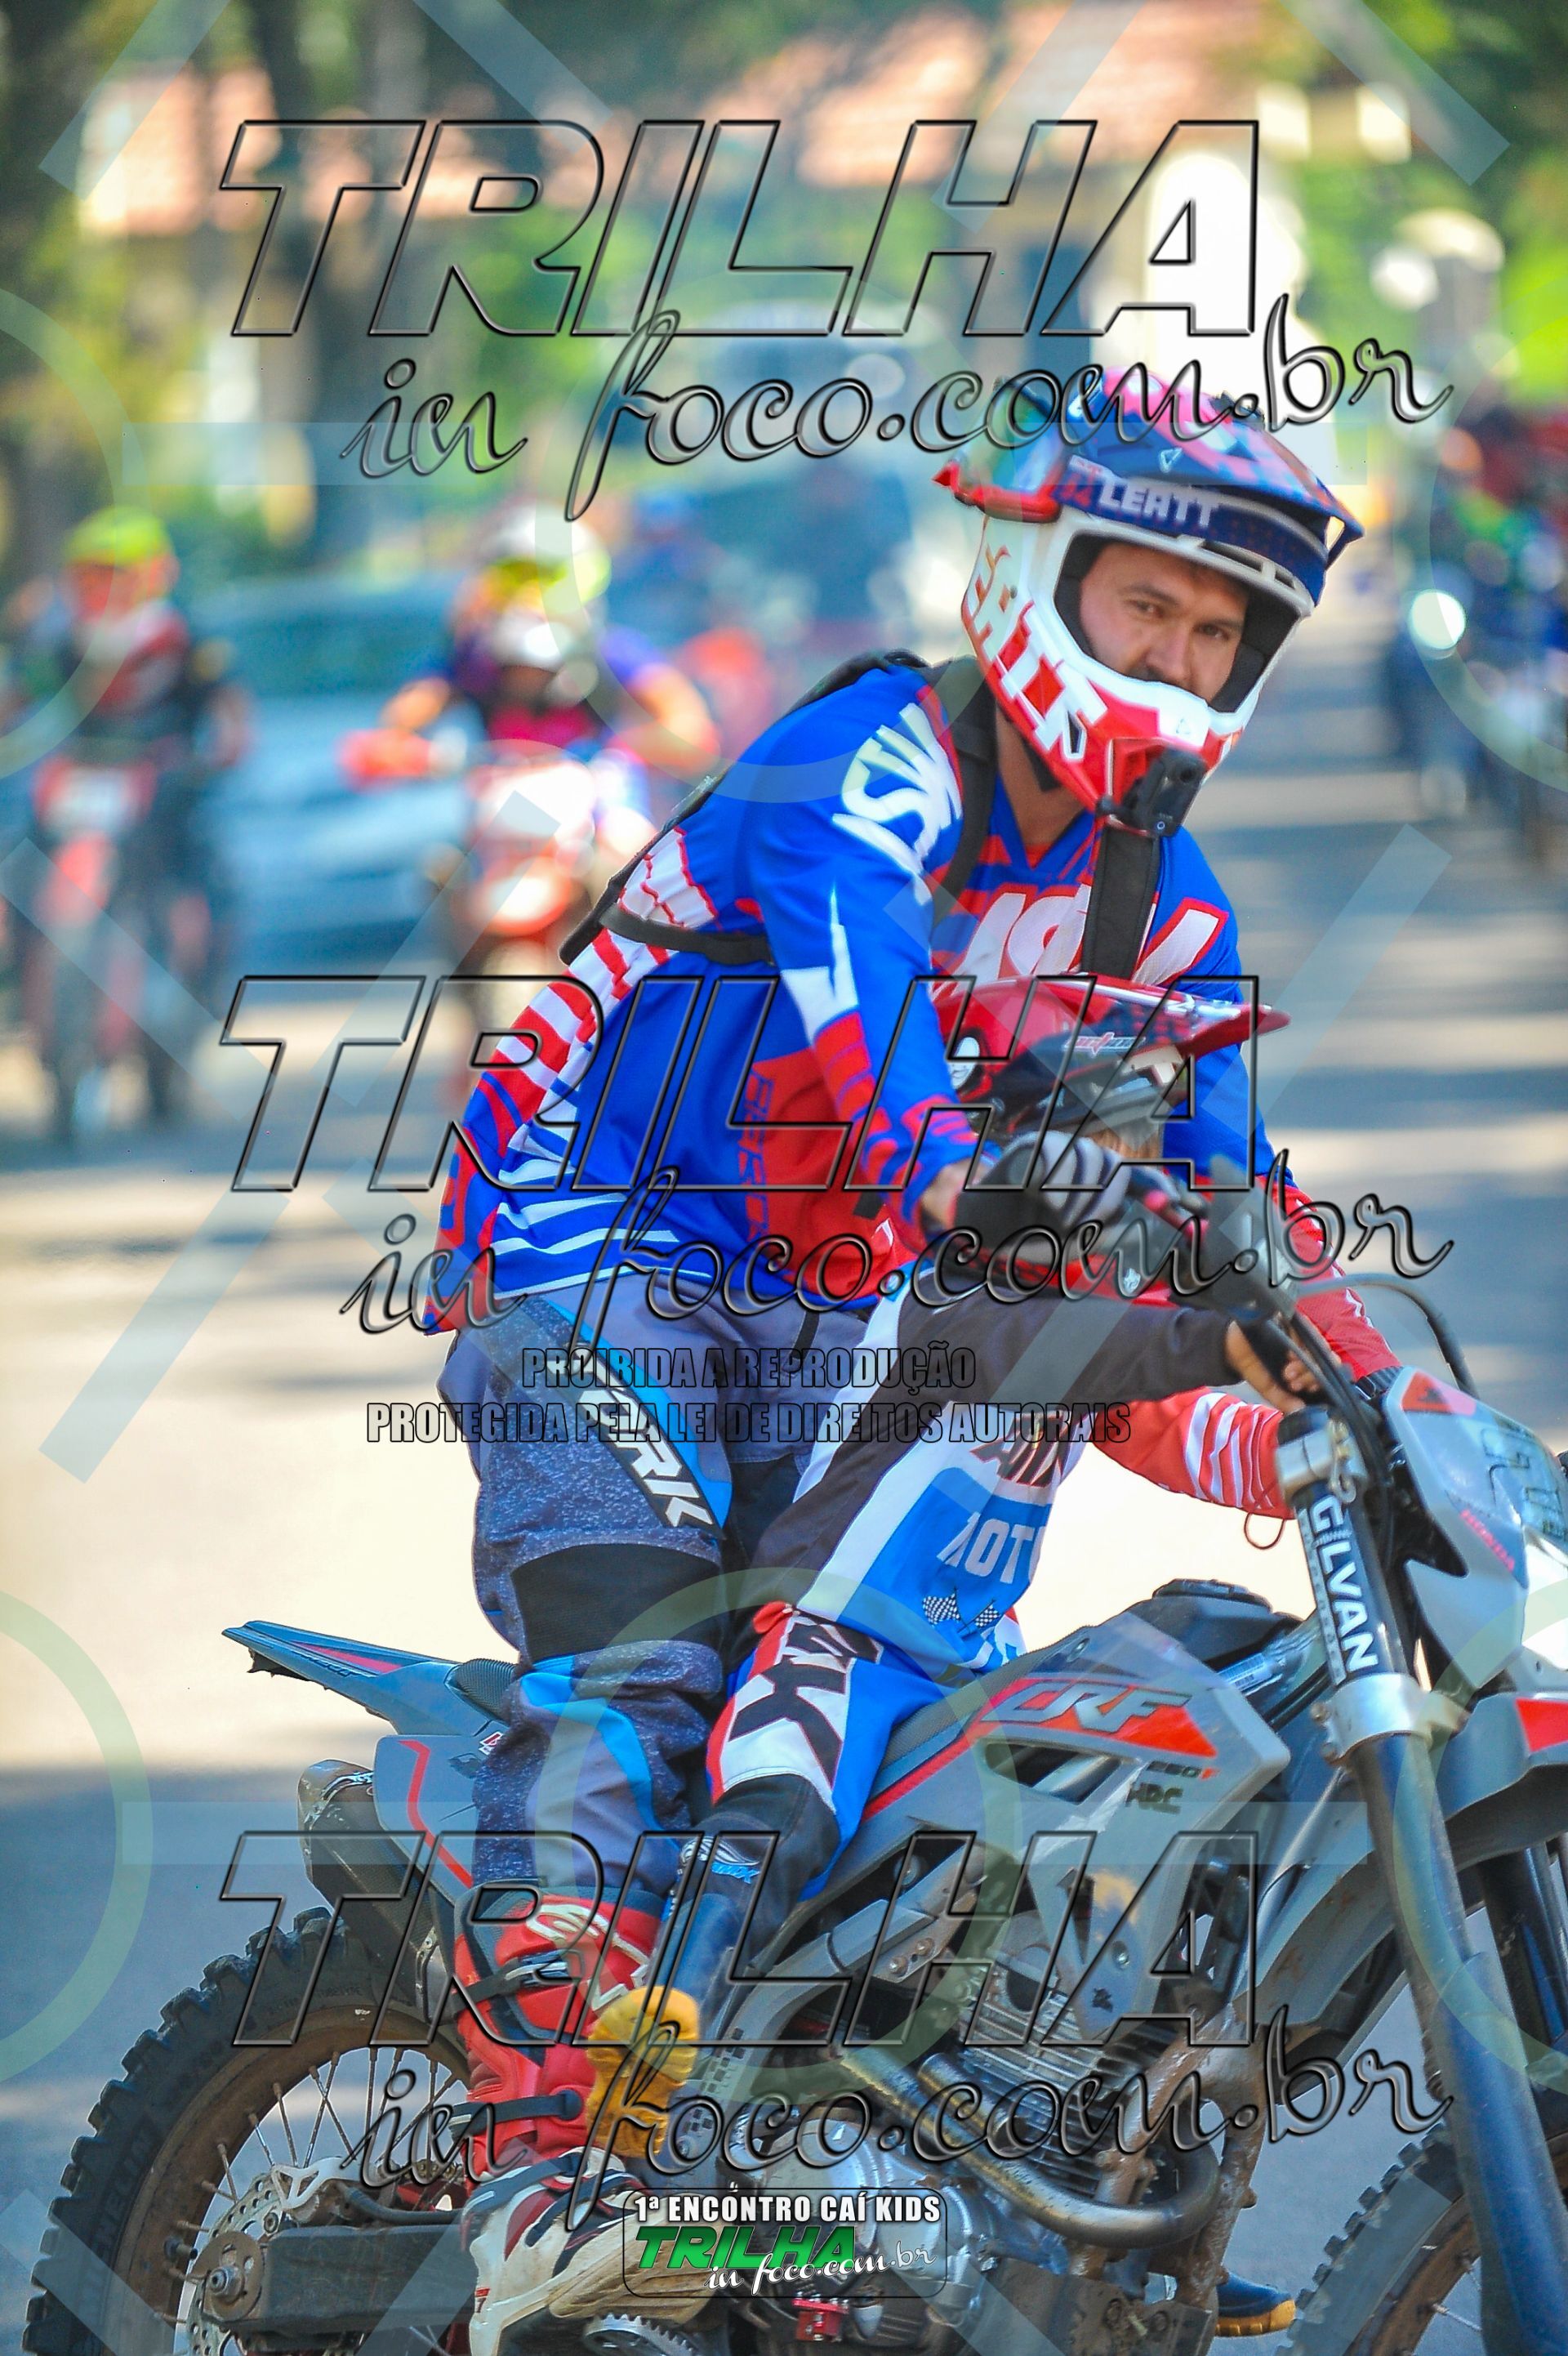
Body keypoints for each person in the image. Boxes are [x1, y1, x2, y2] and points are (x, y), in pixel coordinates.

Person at [430, 378, 1396, 2336]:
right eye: (1147, 605)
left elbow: (1246, 1228)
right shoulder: (863, 763)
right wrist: (1041, 1199)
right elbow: (894, 1108)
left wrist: (1394, 1403)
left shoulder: (1169, 910)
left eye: (1218, 631)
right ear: (1044, 576)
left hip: (850, 1298)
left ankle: (787, 2182)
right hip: (599, 1238)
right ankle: (536, 2166)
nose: (1178, 656)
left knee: (891, 1730)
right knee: (646, 1671)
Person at [3, 506, 247, 956]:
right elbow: (20, 694)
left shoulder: (178, 638)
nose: (100, 589)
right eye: (89, 577)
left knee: (190, 861)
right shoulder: (68, 645)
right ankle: (25, 964)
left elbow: (226, 700)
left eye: (113, 575)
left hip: (162, 772)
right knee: (24, 866)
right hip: (83, 776)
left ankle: (191, 950)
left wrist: (227, 747)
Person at [381, 504, 719, 792]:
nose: (532, 596)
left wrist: (617, 749)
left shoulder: (609, 651)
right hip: (505, 806)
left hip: (597, 806)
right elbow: (401, 722)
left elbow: (690, 728)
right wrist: (418, 753)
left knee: (625, 841)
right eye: (517, 576)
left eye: (549, 577)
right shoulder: (474, 659)